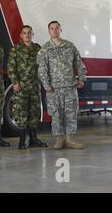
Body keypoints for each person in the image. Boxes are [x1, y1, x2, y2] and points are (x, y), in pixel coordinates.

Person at [37, 21, 87, 150]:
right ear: (49, 31)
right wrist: (46, 85)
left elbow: (79, 63)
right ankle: (59, 140)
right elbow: (42, 69)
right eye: (52, 28)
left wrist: (81, 78)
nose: (54, 30)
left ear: (60, 30)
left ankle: (70, 139)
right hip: (53, 89)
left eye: (57, 28)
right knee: (56, 114)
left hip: (70, 86)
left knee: (71, 113)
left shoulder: (70, 46)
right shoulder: (44, 49)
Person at [7, 25, 47, 150]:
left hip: (35, 86)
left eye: (29, 32)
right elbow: (11, 67)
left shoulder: (37, 48)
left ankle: (33, 139)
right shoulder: (16, 49)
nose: (27, 35)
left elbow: (43, 65)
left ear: (32, 34)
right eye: (24, 33)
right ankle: (22, 140)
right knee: (22, 113)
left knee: (34, 113)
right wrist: (14, 82)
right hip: (22, 86)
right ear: (21, 35)